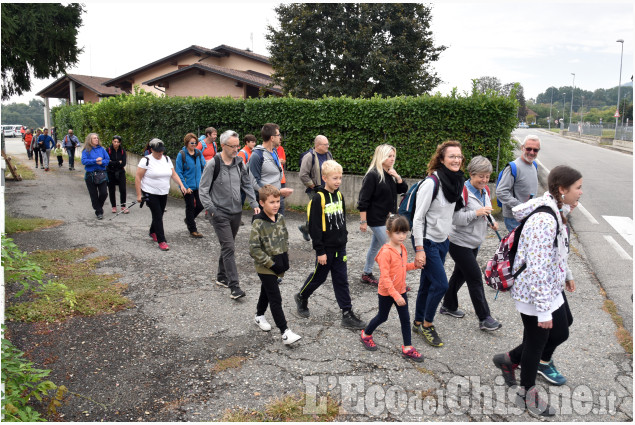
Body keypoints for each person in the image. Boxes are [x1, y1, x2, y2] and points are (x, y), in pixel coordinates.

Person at [493, 165, 581, 418]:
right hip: (535, 292)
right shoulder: (544, 219)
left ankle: (508, 359)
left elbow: (558, 250)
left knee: (563, 328)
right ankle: (526, 393)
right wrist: (543, 311)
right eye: (578, 188)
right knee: (537, 340)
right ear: (562, 190)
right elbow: (537, 268)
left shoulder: (557, 210)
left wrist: (567, 274)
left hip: (550, 286)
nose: (581, 192)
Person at [294, 160, 366, 330]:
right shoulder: (318, 199)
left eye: (340, 178)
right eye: (335, 178)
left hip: (340, 248)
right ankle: (302, 296)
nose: (338, 181)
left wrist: (344, 238)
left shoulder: (339, 196)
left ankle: (347, 313)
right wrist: (320, 251)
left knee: (341, 280)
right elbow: (315, 227)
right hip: (325, 249)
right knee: (319, 277)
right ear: (324, 178)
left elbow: (342, 219)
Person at [411, 141, 465, 347]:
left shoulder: (456, 181)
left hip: (443, 242)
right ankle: (427, 324)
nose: (456, 160)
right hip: (428, 242)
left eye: (459, 156)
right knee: (441, 285)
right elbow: (418, 218)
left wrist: (448, 234)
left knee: (427, 283)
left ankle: (417, 321)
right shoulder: (432, 183)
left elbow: (449, 213)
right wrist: (419, 248)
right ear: (441, 159)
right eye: (451, 156)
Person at [439, 156, 502, 331]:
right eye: (481, 176)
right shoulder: (462, 192)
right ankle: (484, 318)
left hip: (474, 242)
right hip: (459, 242)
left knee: (459, 275)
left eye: (487, 176)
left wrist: (491, 221)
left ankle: (448, 305)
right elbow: (455, 218)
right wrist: (476, 213)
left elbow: (486, 211)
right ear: (471, 174)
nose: (484, 180)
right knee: (475, 278)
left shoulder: (485, 191)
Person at [199, 130, 259, 299]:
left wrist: (253, 202)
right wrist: (212, 210)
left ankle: (221, 277)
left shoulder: (240, 163)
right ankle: (234, 286)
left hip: (236, 213)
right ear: (223, 145)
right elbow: (203, 190)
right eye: (232, 146)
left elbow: (247, 184)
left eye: (237, 145)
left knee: (228, 245)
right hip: (219, 213)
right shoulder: (213, 164)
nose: (236, 149)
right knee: (229, 247)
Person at [360, 214, 423, 362]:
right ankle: (366, 334)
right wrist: (395, 295)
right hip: (387, 292)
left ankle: (407, 348)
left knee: (405, 319)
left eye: (404, 232)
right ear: (388, 233)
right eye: (398, 232)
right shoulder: (386, 252)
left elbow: (401, 267)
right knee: (383, 316)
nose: (402, 236)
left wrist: (414, 265)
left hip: (400, 290)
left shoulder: (402, 248)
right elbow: (385, 277)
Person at [249, 184, 301, 345]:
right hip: (265, 267)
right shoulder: (258, 223)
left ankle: (259, 315)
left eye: (278, 201)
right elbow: (254, 249)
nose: (276, 205)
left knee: (266, 291)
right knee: (275, 298)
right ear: (262, 203)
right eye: (272, 202)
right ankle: (285, 332)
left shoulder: (280, 218)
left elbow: (284, 238)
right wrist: (271, 264)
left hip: (278, 264)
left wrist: (283, 260)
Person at [357, 144, 408, 285]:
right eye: (389, 156)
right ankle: (393, 280)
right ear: (381, 157)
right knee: (392, 248)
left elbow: (403, 189)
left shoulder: (389, 174)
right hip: (376, 219)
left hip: (388, 219)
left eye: (393, 156)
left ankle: (366, 273)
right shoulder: (373, 175)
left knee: (375, 247)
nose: (392, 159)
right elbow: (363, 200)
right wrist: (363, 221)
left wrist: (397, 176)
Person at [135, 138, 187, 251]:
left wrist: (181, 185)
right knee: (158, 215)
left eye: (162, 151)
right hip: (150, 192)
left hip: (163, 192)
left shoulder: (167, 159)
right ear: (152, 149)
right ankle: (162, 240)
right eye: (158, 151)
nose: (160, 153)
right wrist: (139, 195)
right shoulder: (146, 160)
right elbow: (138, 177)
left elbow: (173, 174)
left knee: (159, 214)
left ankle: (152, 231)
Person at [496, 134, 540, 232]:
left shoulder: (534, 165)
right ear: (522, 148)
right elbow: (501, 192)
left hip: (527, 215)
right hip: (514, 218)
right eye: (528, 149)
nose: (532, 152)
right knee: (519, 246)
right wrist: (521, 206)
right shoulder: (513, 168)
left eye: (535, 150)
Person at [249, 123, 293, 215]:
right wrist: (278, 191)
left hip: (277, 199)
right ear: (272, 138)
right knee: (266, 228)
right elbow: (255, 182)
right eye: (278, 135)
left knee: (279, 227)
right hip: (265, 202)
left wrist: (278, 193)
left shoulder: (274, 151)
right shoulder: (257, 155)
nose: (280, 137)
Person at [298, 135, 333, 240]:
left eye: (328, 144)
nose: (328, 146)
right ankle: (319, 235)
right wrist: (313, 186)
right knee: (317, 212)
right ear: (318, 145)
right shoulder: (309, 157)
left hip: (327, 188)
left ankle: (306, 228)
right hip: (314, 190)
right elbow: (303, 174)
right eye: (325, 144)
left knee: (323, 211)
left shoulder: (328, 155)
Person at [175, 133, 206, 238]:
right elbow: (179, 172)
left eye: (195, 142)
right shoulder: (182, 154)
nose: (193, 144)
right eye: (191, 143)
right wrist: (185, 186)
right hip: (187, 186)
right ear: (187, 143)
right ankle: (193, 229)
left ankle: (189, 219)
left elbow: (204, 166)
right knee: (190, 207)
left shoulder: (198, 153)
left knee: (200, 205)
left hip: (198, 185)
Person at [81, 133, 110, 220]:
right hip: (90, 175)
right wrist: (95, 161)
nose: (96, 139)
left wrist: (102, 162)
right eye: (94, 138)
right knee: (93, 194)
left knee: (104, 193)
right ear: (90, 140)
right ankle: (99, 212)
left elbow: (107, 159)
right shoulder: (86, 150)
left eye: (97, 138)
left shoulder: (102, 149)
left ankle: (98, 207)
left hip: (101, 174)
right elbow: (84, 161)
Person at [106, 135, 128, 214]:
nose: (116, 143)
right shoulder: (108, 150)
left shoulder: (122, 151)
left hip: (120, 172)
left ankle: (123, 206)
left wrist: (113, 163)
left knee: (123, 189)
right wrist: (118, 162)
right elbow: (107, 162)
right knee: (112, 190)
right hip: (110, 172)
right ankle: (114, 206)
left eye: (117, 142)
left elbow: (124, 163)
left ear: (120, 143)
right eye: (114, 141)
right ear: (112, 141)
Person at [238, 134, 257, 206]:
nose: (254, 144)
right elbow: (241, 168)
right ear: (247, 142)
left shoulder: (252, 152)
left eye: (254, 142)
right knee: (240, 200)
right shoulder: (242, 153)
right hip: (243, 180)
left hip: (249, 179)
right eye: (252, 142)